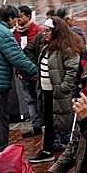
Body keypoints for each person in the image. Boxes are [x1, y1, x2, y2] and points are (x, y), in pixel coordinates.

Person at [0, 4, 38, 152]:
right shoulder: (4, 33)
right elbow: (17, 58)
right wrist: (35, 71)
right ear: (9, 18)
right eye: (15, 19)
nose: (15, 23)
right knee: (0, 118)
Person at [32, 17, 80, 163]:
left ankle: (70, 151)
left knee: (64, 123)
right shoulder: (46, 47)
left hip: (57, 93)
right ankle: (47, 149)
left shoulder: (66, 48)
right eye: (44, 31)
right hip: (46, 92)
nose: (44, 33)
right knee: (48, 121)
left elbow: (72, 70)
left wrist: (63, 88)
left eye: (47, 31)